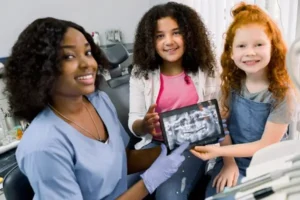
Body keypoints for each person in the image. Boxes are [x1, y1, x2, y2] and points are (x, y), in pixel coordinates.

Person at [4, 17, 189, 200]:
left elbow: (120, 160)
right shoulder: (43, 145)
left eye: (88, 52)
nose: (88, 64)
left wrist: (171, 151)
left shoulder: (99, 101)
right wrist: (149, 182)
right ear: (41, 68)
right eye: (69, 56)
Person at [190, 2, 296, 199]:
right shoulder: (230, 86)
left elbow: (265, 146)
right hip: (232, 159)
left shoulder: (283, 94)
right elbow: (223, 126)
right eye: (241, 46)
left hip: (268, 166)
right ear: (231, 52)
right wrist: (229, 162)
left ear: (273, 47)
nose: (250, 52)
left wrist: (216, 152)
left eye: (259, 44)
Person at [128, 2, 220, 199]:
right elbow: (134, 119)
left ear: (189, 35)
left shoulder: (208, 70)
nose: (168, 41)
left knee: (169, 196)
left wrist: (217, 116)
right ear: (150, 41)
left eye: (176, 33)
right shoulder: (140, 73)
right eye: (159, 36)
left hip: (191, 146)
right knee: (121, 189)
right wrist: (143, 126)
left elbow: (219, 114)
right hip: (153, 145)